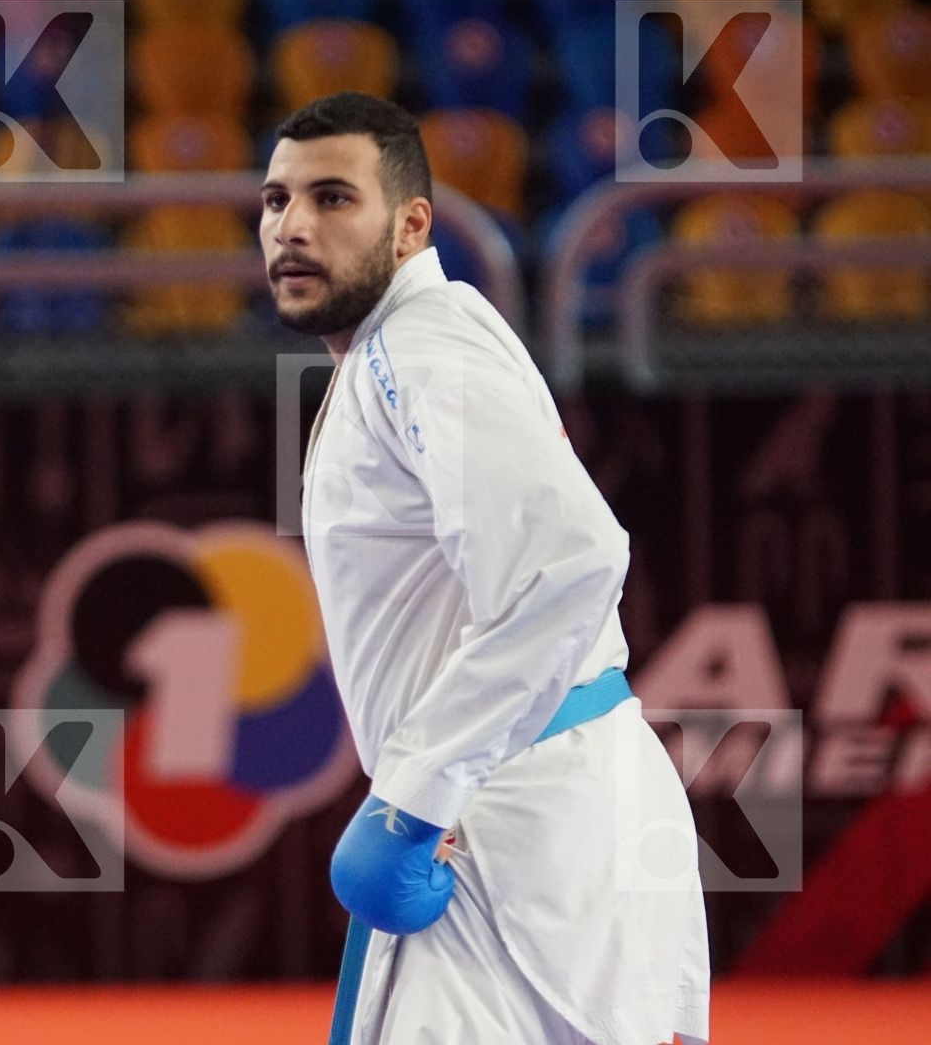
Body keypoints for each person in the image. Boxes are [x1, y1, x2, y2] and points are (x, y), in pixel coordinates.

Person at [262, 93, 709, 1044]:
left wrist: (413, 801)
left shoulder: (422, 348)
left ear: (411, 223)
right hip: (529, 804)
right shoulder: (402, 347)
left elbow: (572, 562)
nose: (293, 227)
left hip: (512, 818)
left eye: (333, 198)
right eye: (276, 200)